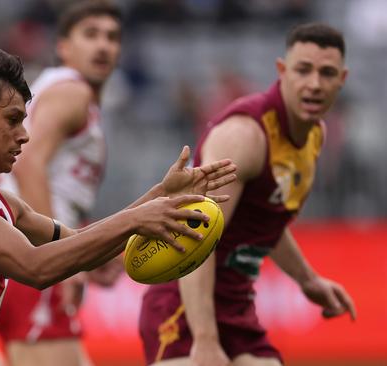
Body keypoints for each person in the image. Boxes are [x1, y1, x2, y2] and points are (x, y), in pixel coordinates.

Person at [0, 47, 237, 366]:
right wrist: (138, 218)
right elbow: (36, 268)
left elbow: (82, 247)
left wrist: (157, 199)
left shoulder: (2, 204)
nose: (24, 135)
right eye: (13, 120)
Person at [139, 23, 357, 366]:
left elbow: (265, 221)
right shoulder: (245, 136)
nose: (314, 84)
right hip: (184, 306)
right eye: (303, 70)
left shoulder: (314, 135)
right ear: (282, 71)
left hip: (236, 305)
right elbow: (197, 235)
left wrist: (308, 280)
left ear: (341, 80)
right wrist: (206, 340)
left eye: (326, 73)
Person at [0, 2, 123, 365]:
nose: (103, 46)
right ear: (64, 47)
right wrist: (63, 258)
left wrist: (89, 253)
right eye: (90, 35)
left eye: (111, 37)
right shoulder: (72, 93)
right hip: (31, 253)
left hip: (17, 245)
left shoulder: (59, 91)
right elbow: (28, 164)